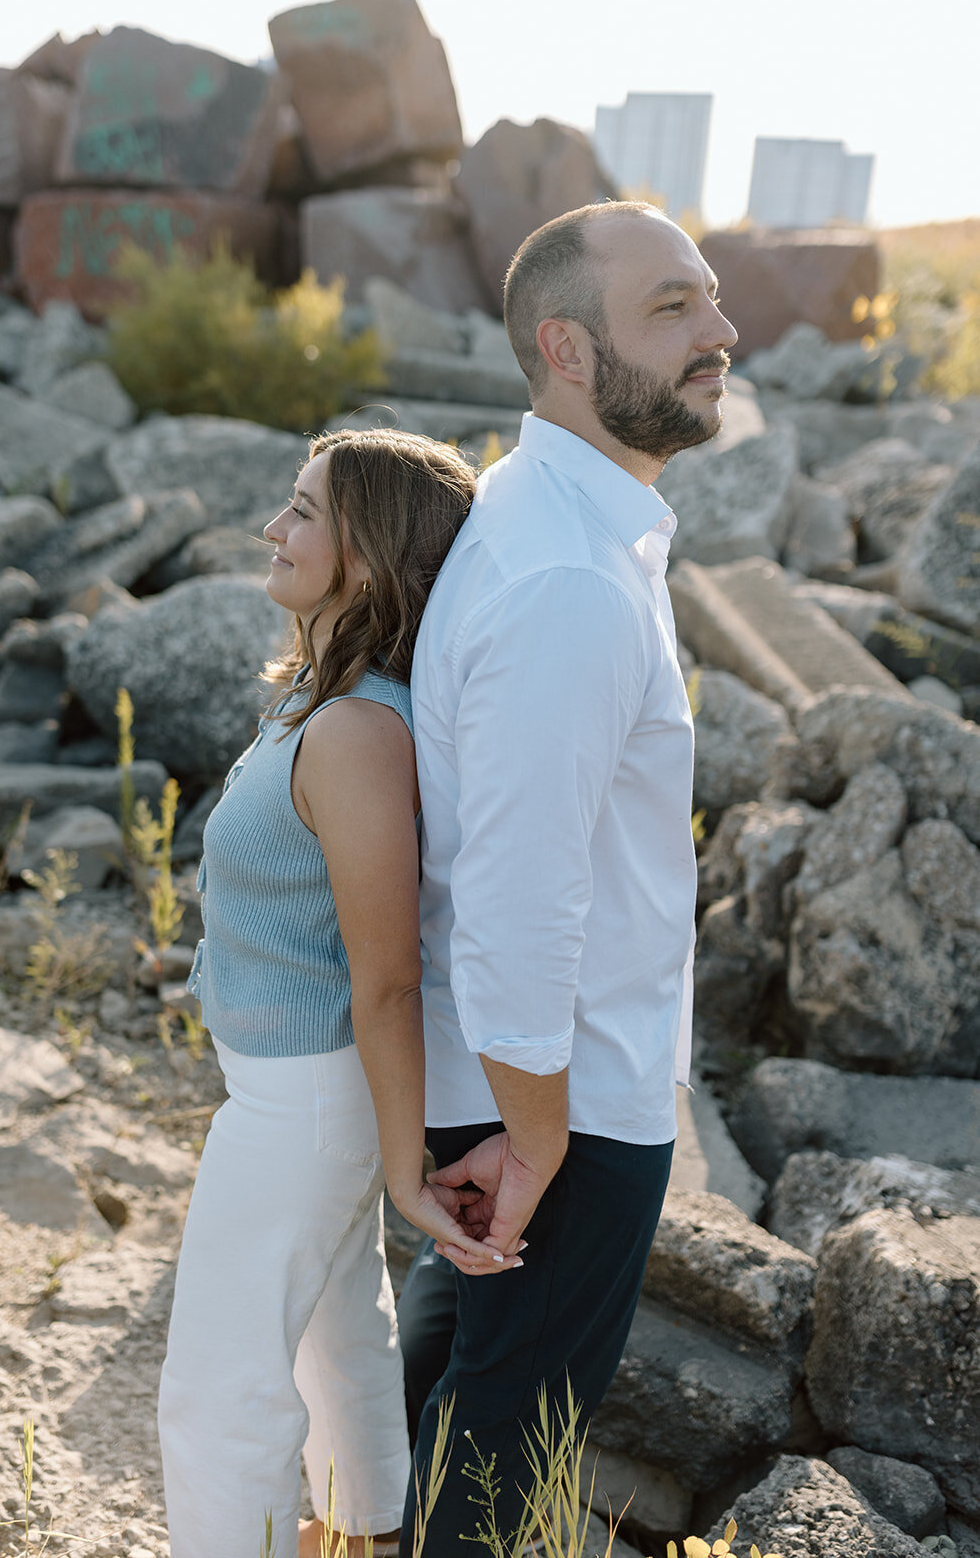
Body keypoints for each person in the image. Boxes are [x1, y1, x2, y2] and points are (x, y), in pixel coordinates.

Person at [397, 200, 739, 1554]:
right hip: (560, 1106)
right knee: (500, 1456)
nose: (717, 332)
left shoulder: (562, 520)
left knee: (453, 1403)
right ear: (566, 350)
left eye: (708, 298)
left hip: (520, 1088)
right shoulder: (566, 580)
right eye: (669, 309)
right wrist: (538, 1138)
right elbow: (517, 900)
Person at [157, 428, 517, 1558]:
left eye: (303, 511)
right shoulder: (322, 696)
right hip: (293, 1089)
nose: (274, 528)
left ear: (367, 552)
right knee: (332, 1334)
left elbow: (389, 975)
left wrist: (400, 1159)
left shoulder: (359, 731)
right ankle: (361, 1535)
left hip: (305, 1101)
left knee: (217, 1385)